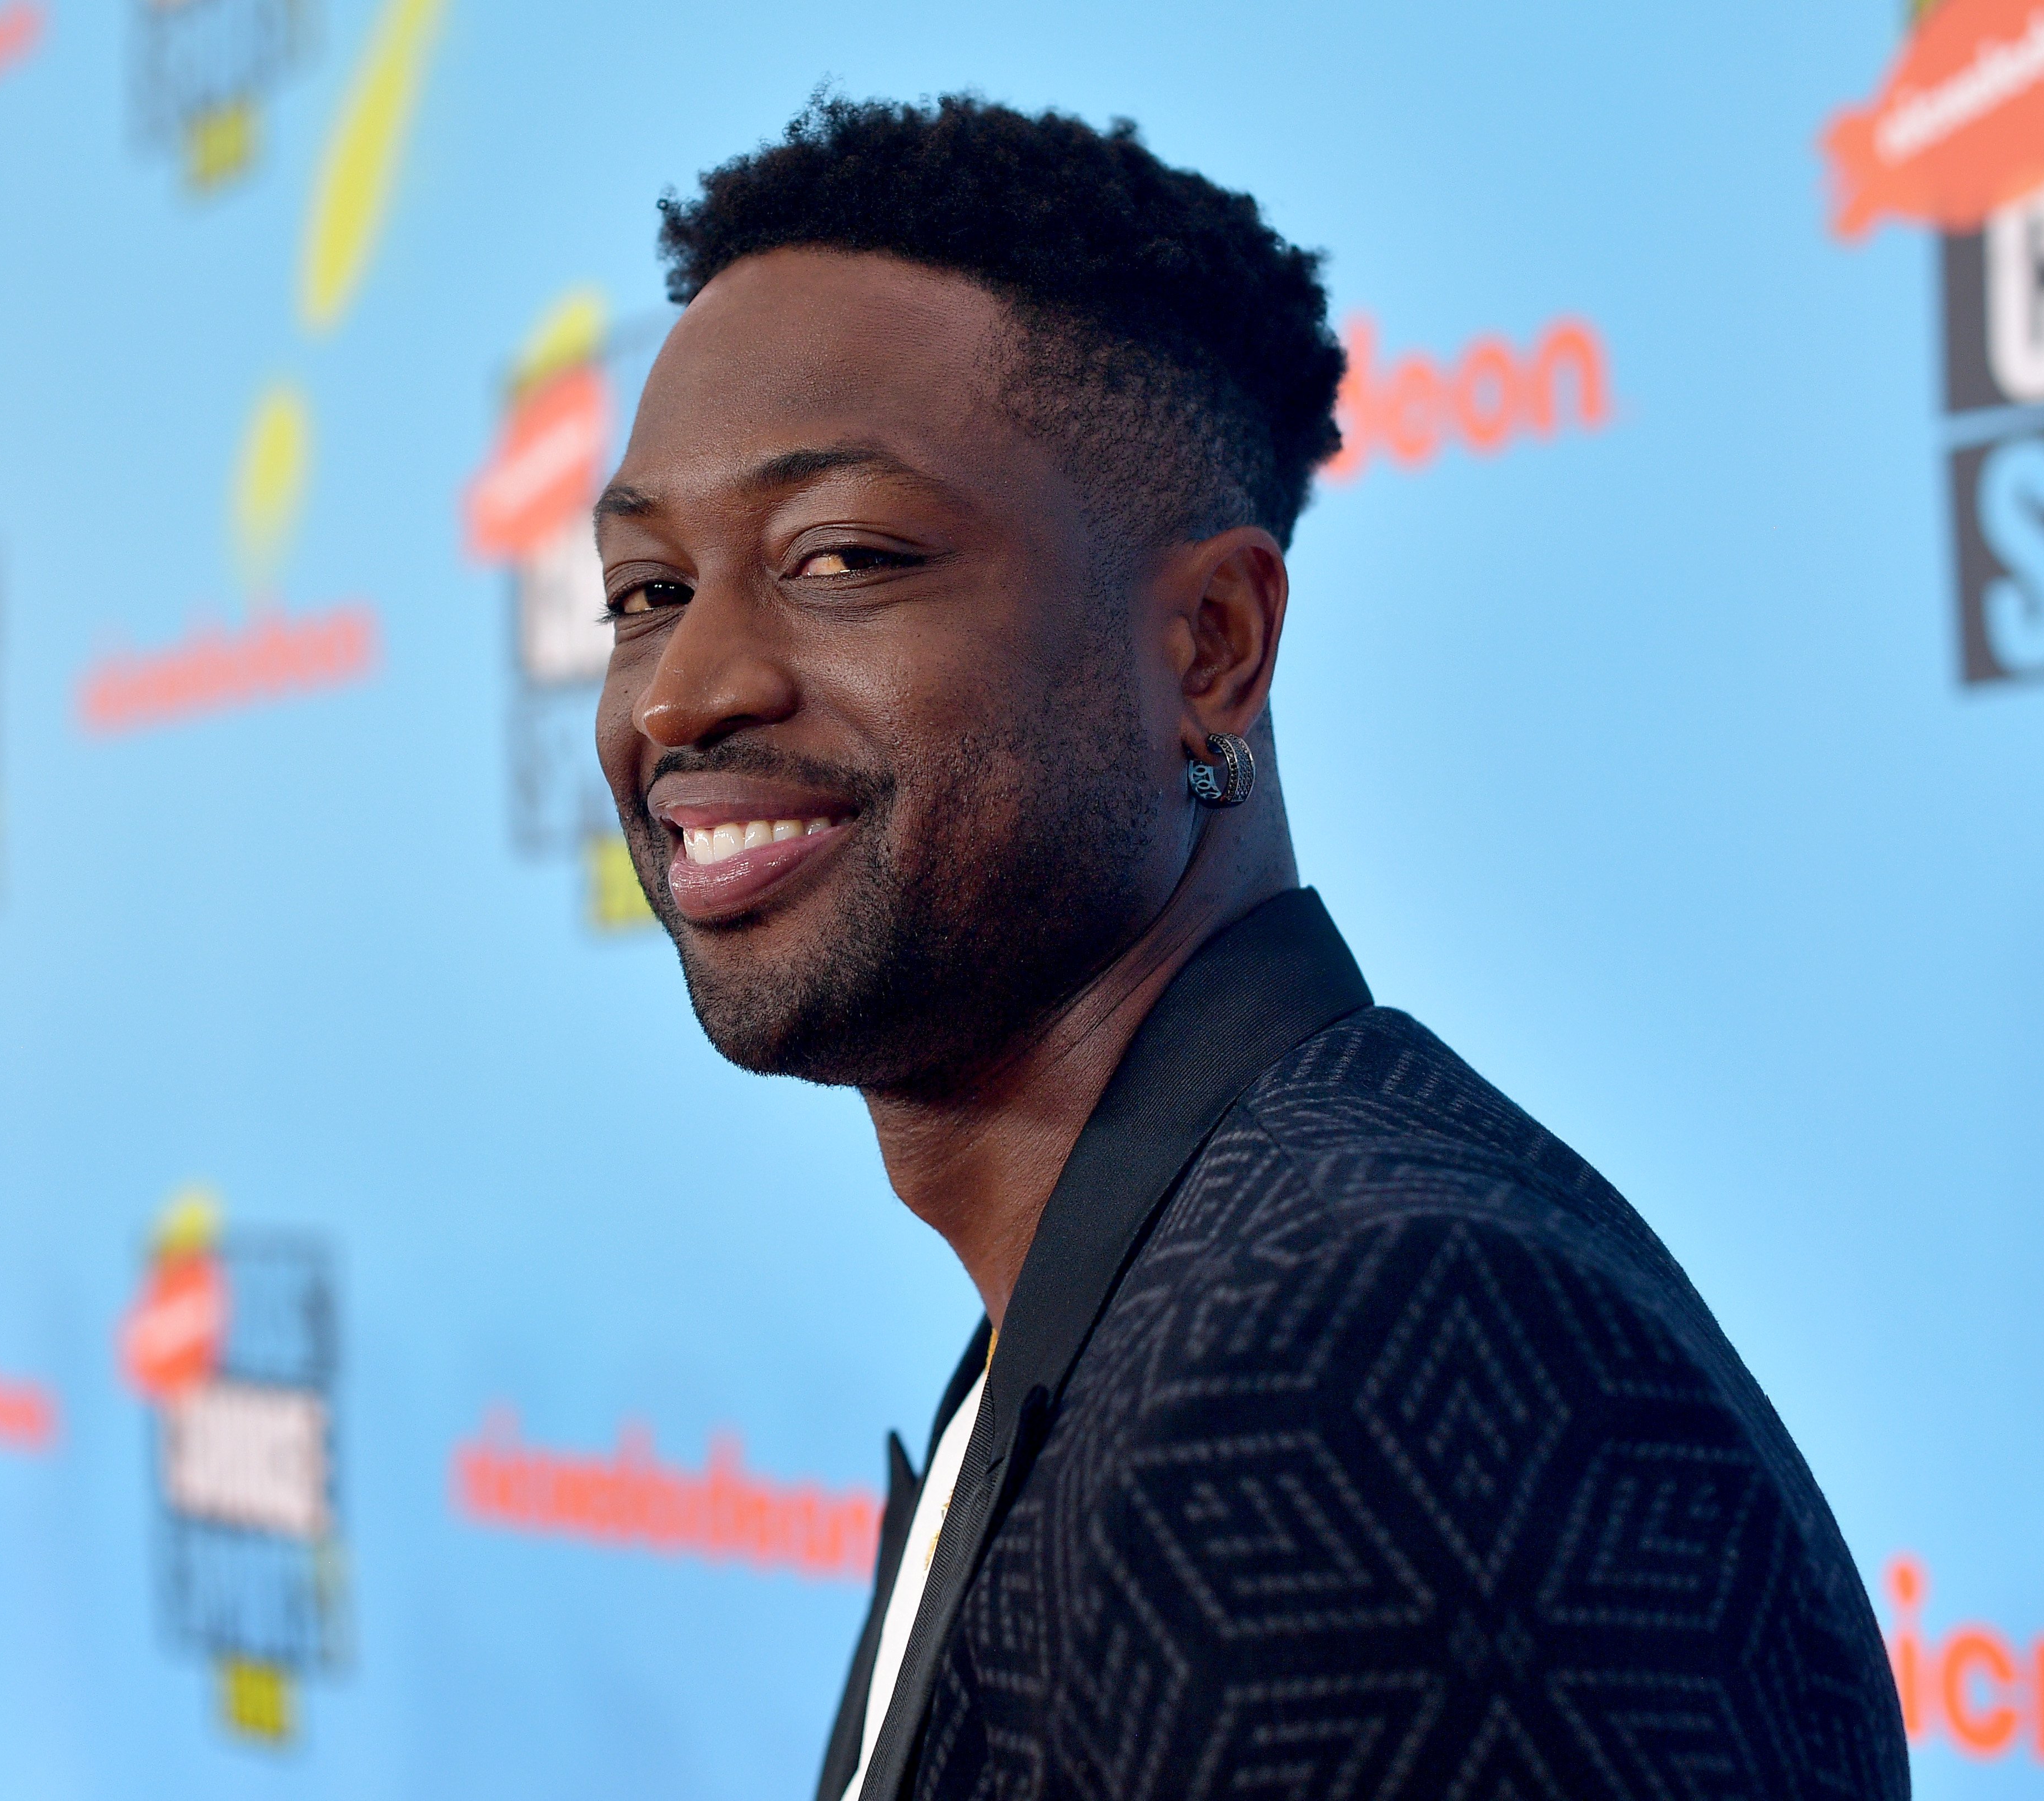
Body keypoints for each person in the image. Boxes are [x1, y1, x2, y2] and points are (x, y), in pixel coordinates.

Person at [595, 94, 1909, 1801]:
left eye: (840, 558)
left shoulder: (1340, 1358)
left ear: (1211, 646)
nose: (687, 691)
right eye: (644, 592)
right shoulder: (1138, 1292)